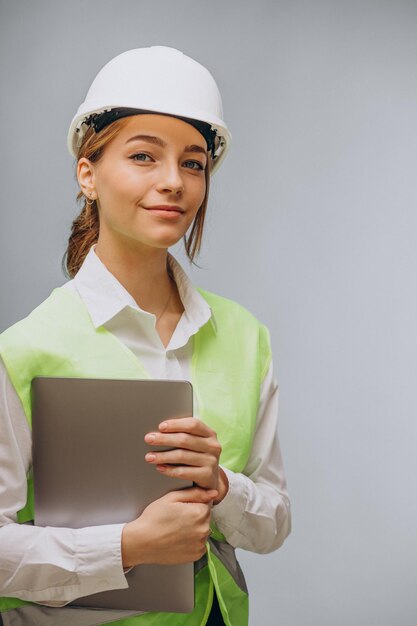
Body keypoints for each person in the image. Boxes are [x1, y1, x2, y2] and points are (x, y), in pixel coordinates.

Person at [0, 46, 291, 626]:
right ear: (88, 172)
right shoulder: (24, 351)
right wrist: (127, 546)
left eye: (192, 163)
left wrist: (221, 487)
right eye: (142, 156)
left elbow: (274, 522)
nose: (173, 182)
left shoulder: (243, 336)